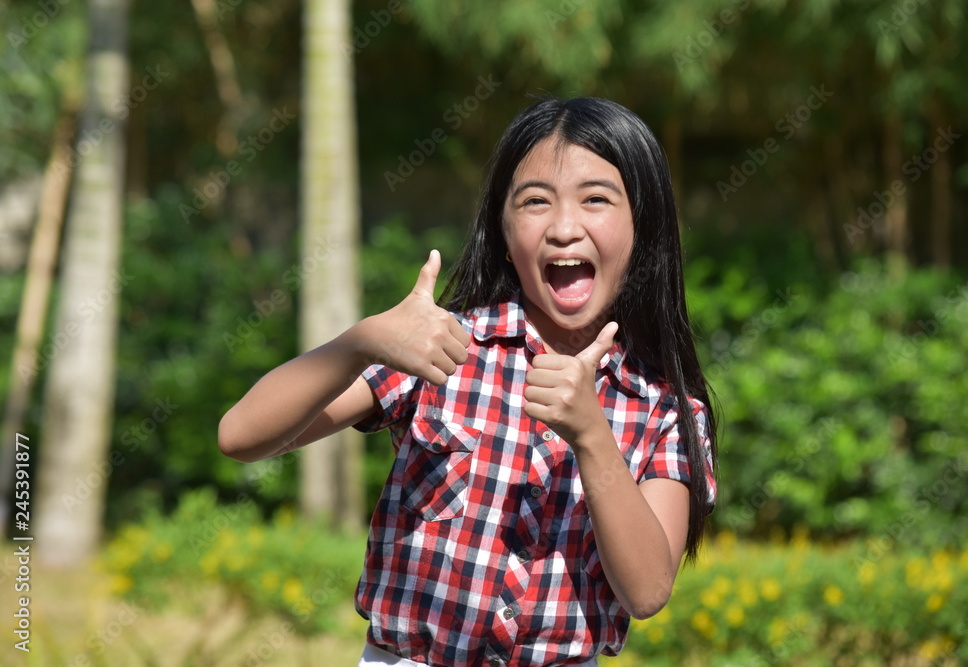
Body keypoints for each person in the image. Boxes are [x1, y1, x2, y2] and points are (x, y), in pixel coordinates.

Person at [219, 96, 718, 667]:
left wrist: (591, 435)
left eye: (596, 199)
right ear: (502, 232)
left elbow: (648, 591)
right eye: (535, 201)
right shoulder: (441, 347)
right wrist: (359, 342)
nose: (563, 228)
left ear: (643, 229)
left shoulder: (665, 409)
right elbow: (241, 436)